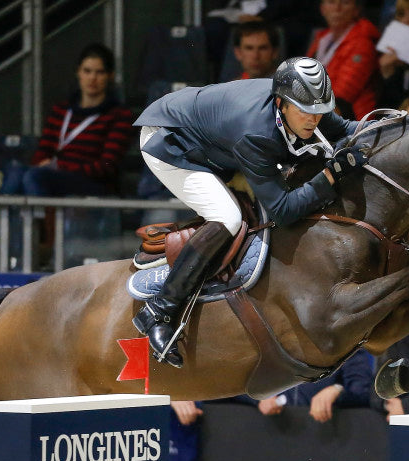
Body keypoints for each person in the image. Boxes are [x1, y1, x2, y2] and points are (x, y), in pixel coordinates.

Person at [133, 57, 367, 368]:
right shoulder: (256, 133)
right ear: (282, 103)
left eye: (320, 111)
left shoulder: (306, 107)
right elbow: (283, 211)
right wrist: (328, 178)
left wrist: (389, 128)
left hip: (212, 138)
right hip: (170, 142)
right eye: (305, 111)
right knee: (228, 217)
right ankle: (160, 310)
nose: (314, 119)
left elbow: (349, 129)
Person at [0, 44, 133, 199]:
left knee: (34, 177)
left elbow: (107, 166)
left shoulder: (119, 115)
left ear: (110, 76)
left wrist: (61, 167)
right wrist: (43, 165)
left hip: (94, 183)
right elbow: (43, 151)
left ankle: (40, 223)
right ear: (78, 72)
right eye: (87, 71)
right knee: (16, 171)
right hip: (55, 174)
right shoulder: (61, 110)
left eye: (100, 72)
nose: (92, 78)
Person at [232, 349, 374, 422]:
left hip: (325, 435)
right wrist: (258, 398)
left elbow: (363, 391)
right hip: (273, 431)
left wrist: (337, 390)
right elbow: (233, 388)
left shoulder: (345, 345)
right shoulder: (269, 344)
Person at [307, 0, 381, 118]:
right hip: (320, 113)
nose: (337, 8)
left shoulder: (363, 42)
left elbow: (342, 95)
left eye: (345, 2)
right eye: (331, 2)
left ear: (356, 10)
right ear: (322, 8)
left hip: (355, 124)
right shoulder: (321, 38)